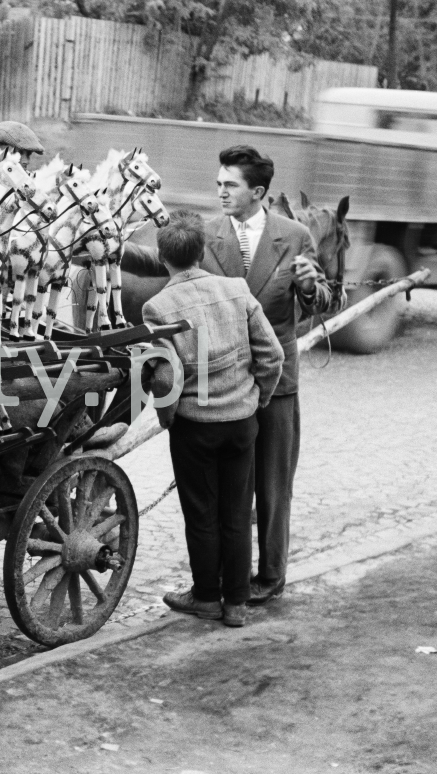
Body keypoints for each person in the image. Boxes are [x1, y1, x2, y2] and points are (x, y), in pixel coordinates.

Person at [122, 145, 336, 605]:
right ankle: (216, 586)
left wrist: (309, 288)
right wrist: (108, 250)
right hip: (222, 388)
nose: (220, 191)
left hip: (275, 384)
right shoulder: (206, 231)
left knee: (273, 485)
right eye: (218, 183)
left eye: (230, 185)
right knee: (219, 495)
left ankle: (270, 576)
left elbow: (325, 300)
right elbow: (159, 262)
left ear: (257, 191)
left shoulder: (295, 236)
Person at [143, 211, 284, 627]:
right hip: (242, 423)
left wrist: (169, 419)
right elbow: (272, 356)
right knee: (238, 510)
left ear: (162, 258)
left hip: (195, 428)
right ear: (202, 252)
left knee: (201, 513)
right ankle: (236, 603)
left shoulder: (158, 306)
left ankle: (206, 596)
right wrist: (257, 399)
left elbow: (167, 376)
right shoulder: (237, 290)